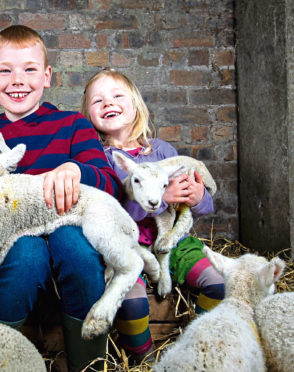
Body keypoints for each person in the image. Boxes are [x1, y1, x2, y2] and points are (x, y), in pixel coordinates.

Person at [0, 25, 123, 371]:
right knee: (27, 253)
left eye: (29, 69)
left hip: (68, 226)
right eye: (5, 71)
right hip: (17, 238)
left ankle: (88, 362)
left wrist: (76, 170)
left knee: (72, 242)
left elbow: (109, 184)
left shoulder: (73, 125)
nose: (18, 80)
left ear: (47, 77)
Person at [81, 68, 225, 362]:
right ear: (88, 115)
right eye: (98, 101)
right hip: (128, 246)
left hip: (172, 240)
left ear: (136, 104)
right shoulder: (100, 158)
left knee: (217, 283)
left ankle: (193, 346)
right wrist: (163, 198)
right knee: (131, 301)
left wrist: (197, 197)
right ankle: (143, 358)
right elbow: (113, 209)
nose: (108, 103)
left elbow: (201, 207)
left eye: (117, 96)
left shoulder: (161, 151)